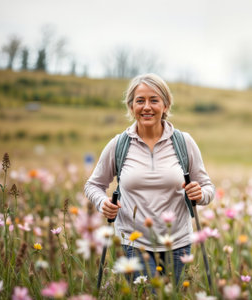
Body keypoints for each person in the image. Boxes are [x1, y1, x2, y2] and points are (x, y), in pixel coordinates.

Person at [84, 73, 215, 283]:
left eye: (154, 100)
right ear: (131, 107)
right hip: (134, 243)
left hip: (177, 243)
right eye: (140, 101)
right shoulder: (119, 144)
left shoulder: (184, 142)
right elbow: (93, 185)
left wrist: (200, 194)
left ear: (165, 105)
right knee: (148, 294)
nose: (147, 107)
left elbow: (208, 188)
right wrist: (102, 203)